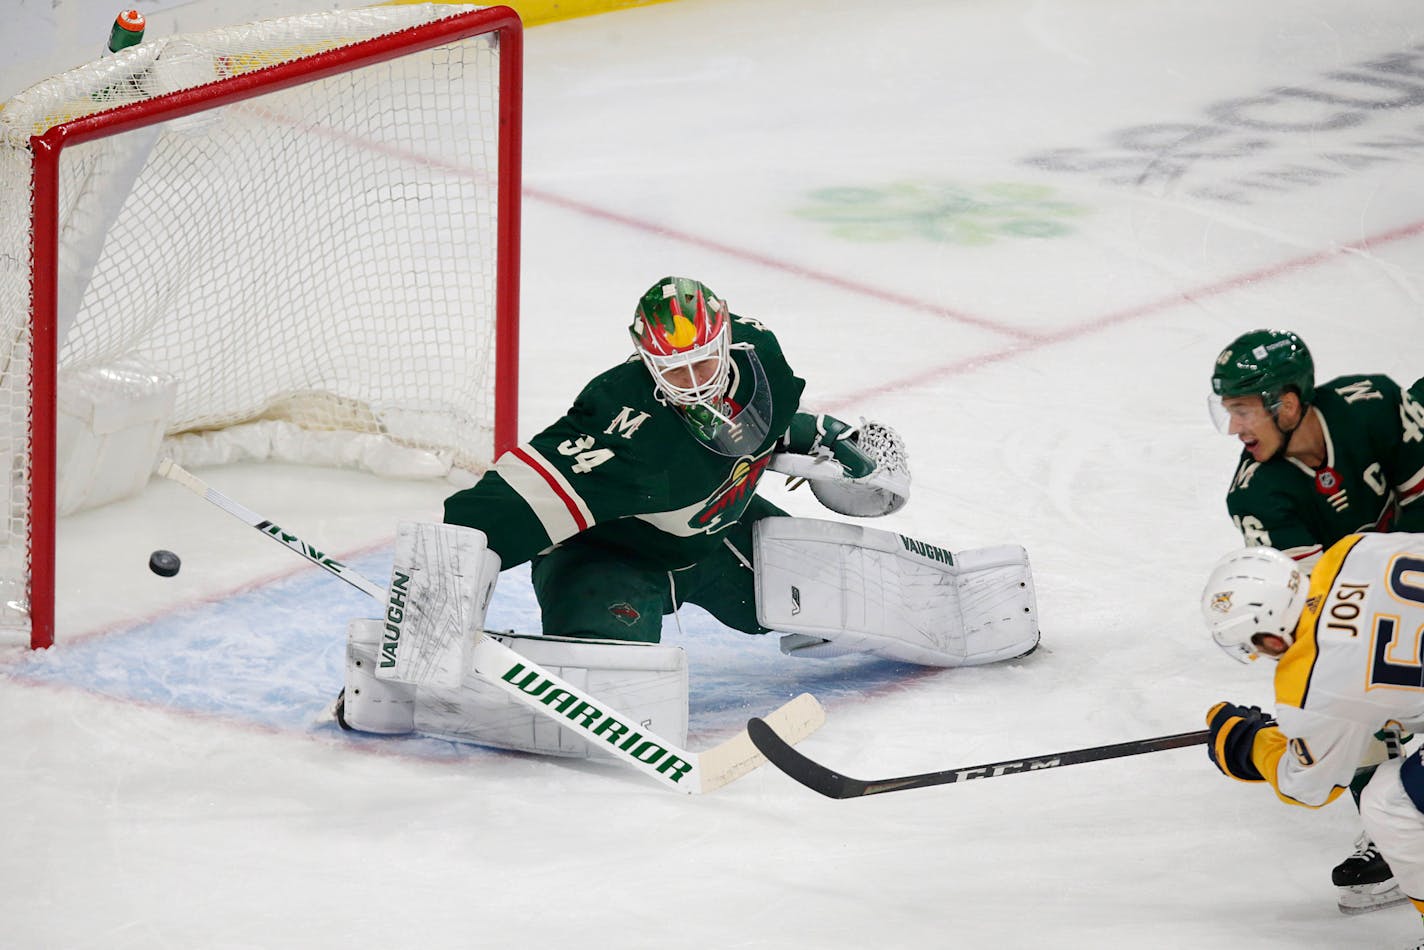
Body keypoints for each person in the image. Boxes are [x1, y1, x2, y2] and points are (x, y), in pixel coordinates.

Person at [333, 276, 1039, 755]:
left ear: (727, 341)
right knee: (617, 690)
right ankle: (415, 696)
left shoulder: (761, 354)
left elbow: (772, 424)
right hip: (611, 561)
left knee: (814, 586)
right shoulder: (619, 424)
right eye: (674, 372)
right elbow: (489, 512)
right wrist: (429, 619)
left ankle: (821, 620)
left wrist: (821, 445)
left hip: (718, 536)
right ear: (645, 359)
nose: (695, 384)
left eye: (705, 364)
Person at [1209, 328, 1424, 910]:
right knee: (1360, 687)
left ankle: (1406, 828)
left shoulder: (1373, 405)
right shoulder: (1258, 496)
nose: (1234, 429)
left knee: (1349, 694)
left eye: (1243, 410)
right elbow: (1311, 619)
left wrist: (1269, 745)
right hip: (1380, 585)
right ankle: (1396, 831)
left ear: (1287, 402)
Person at [1201, 534, 1424, 946]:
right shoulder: (1352, 549)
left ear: (1270, 636)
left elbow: (1308, 786)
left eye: (1254, 646)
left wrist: (1250, 746)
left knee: (1390, 804)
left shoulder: (1311, 686)